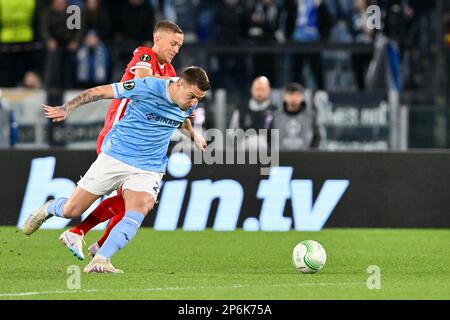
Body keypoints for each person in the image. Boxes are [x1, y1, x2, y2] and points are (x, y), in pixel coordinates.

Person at [22, 66, 210, 273]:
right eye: (192, 96)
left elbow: (181, 119)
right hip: (116, 156)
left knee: (141, 206)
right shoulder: (147, 86)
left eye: (198, 99)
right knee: (71, 210)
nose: (194, 102)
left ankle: (101, 259)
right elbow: (98, 92)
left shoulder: (189, 103)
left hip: (150, 166)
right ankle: (49, 208)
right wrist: (67, 108)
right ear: (179, 84)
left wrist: (195, 136)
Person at [53, 20, 185, 262]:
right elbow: (144, 80)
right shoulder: (145, 55)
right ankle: (79, 231)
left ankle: (95, 245)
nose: (176, 49)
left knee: (137, 201)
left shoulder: (172, 73)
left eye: (180, 45)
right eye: (173, 43)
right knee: (129, 199)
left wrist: (193, 132)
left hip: (140, 144)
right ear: (158, 39)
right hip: (118, 135)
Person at [229, 76, 276, 150]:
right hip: (244, 154)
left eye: (262, 89)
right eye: (257, 89)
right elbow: (232, 134)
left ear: (269, 90)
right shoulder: (241, 109)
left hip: (269, 155)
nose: (259, 92)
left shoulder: (275, 111)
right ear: (252, 89)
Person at [270, 83, 321, 150]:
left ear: (302, 97)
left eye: (297, 95)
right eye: (290, 94)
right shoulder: (275, 116)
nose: (294, 98)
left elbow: (317, 138)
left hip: (304, 158)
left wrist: (310, 155)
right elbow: (269, 138)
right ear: (284, 97)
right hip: (281, 158)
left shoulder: (311, 116)